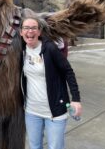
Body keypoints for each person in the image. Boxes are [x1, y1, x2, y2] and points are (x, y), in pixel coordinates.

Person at [20, 17, 82, 149]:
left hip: (55, 111)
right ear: (21, 32)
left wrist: (75, 99)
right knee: (35, 146)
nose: (30, 31)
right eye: (26, 28)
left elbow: (68, 72)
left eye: (33, 28)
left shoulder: (49, 48)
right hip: (31, 111)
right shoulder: (22, 51)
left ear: (39, 32)